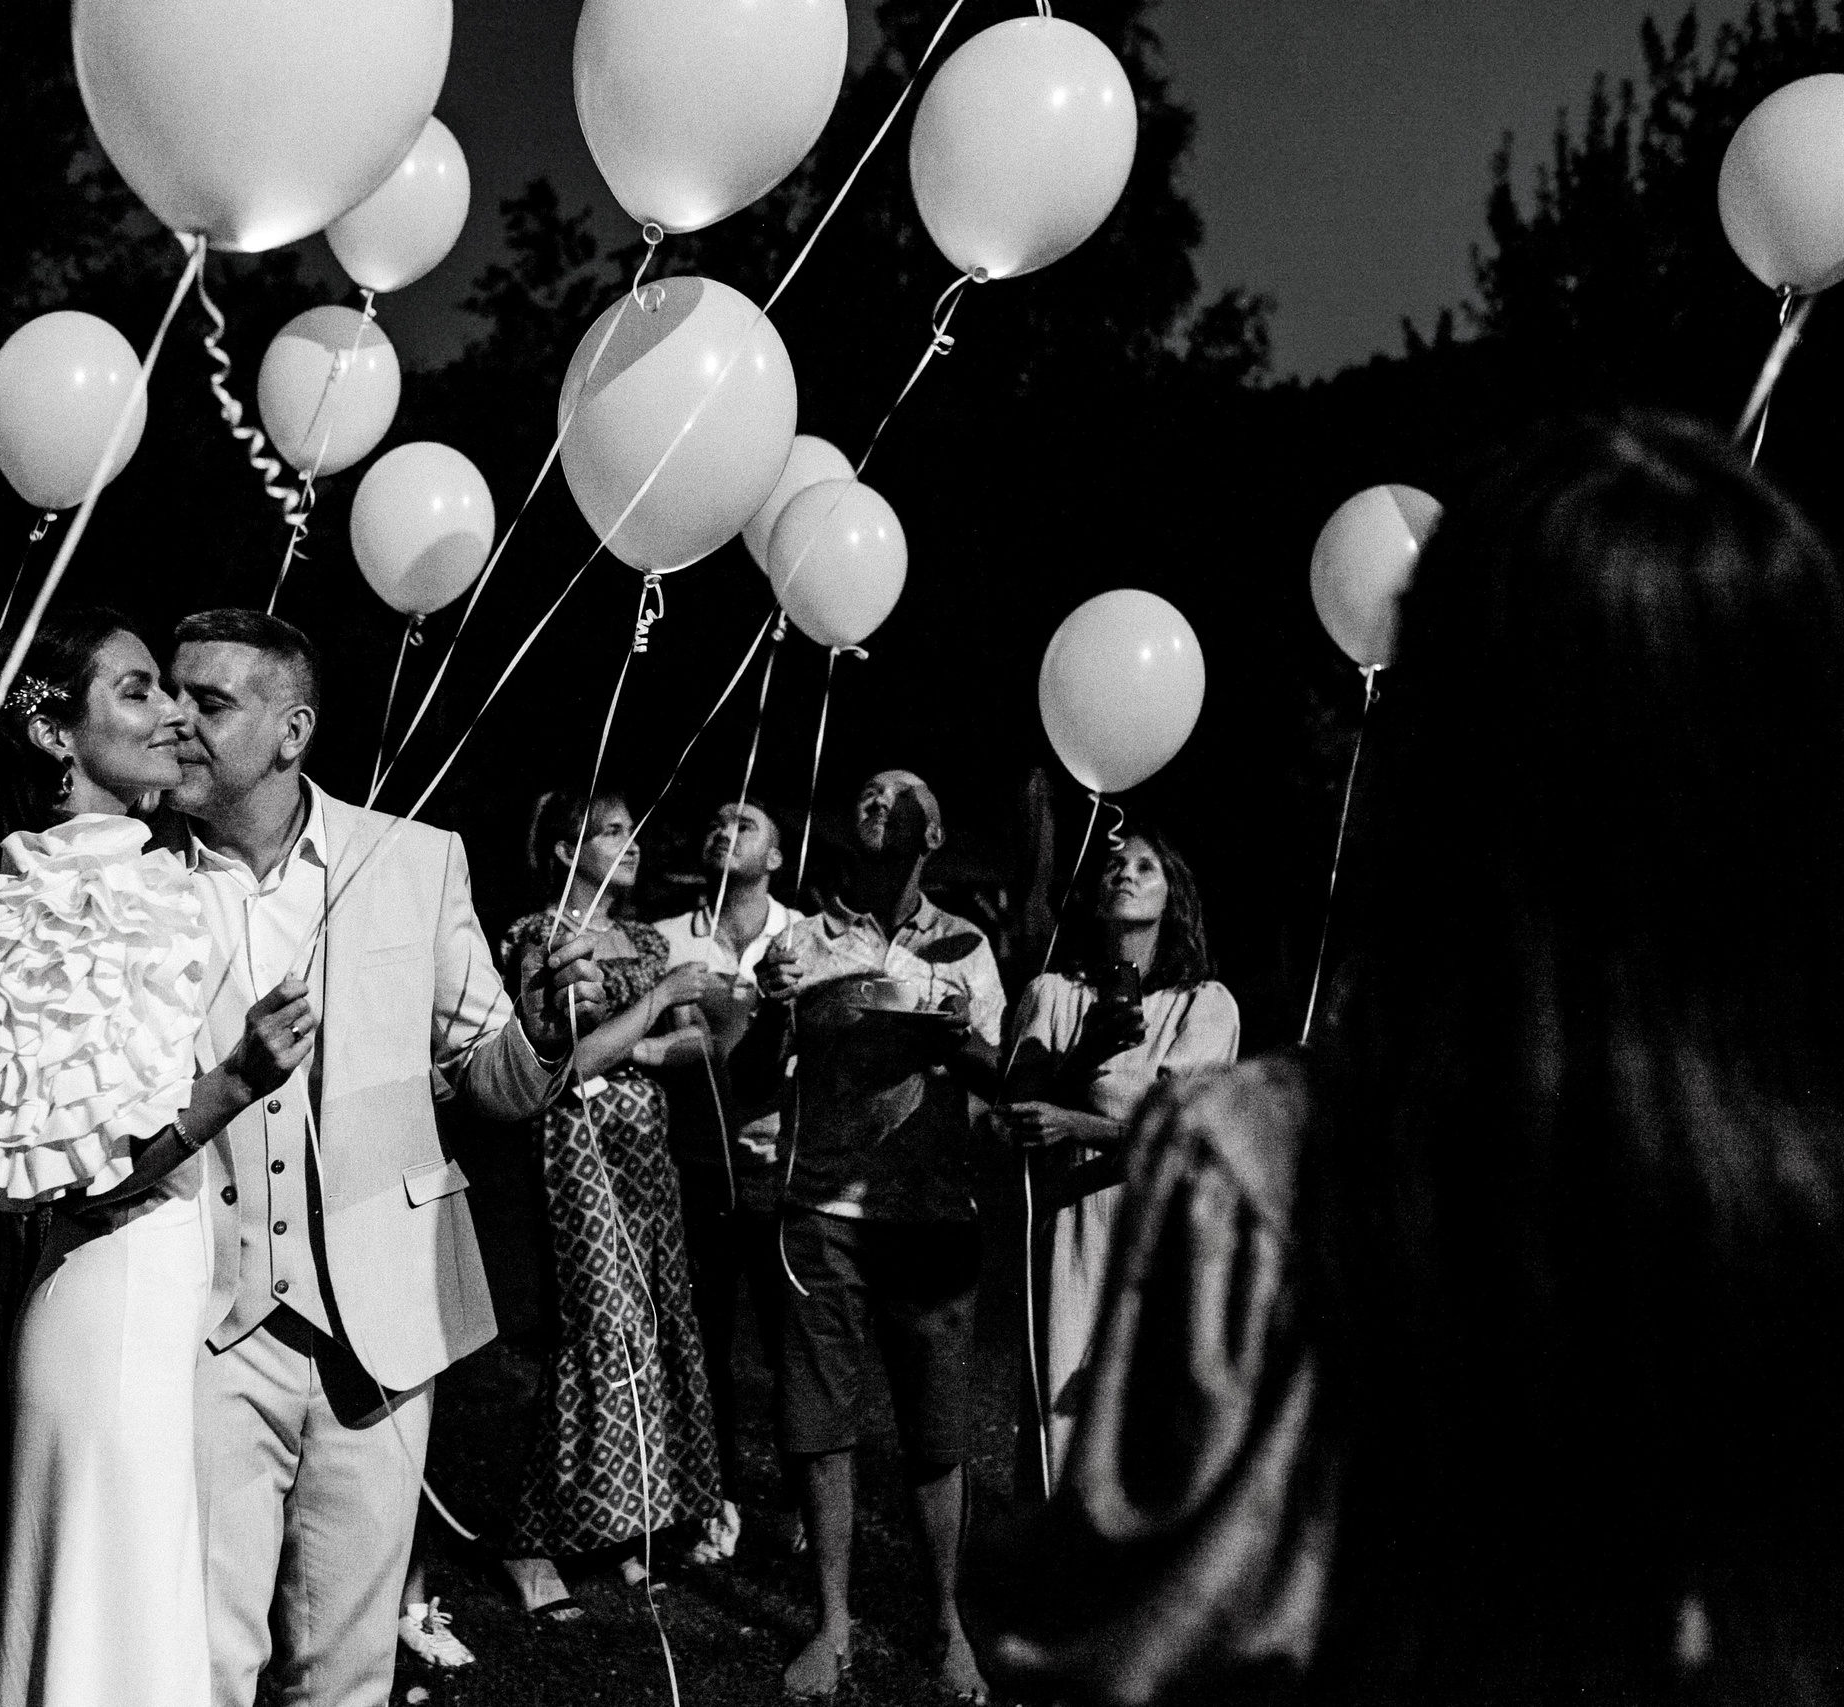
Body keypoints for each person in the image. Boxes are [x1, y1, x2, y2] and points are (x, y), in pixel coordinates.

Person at [987, 412, 1844, 1706]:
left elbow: (1127, 1642)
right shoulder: (1805, 1180)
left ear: (1443, 745)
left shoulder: (1262, 1166)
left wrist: (1013, 1576)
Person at [163, 609, 602, 1707]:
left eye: (207, 702)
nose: (174, 719)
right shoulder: (134, 879)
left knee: (349, 1662)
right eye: (168, 693)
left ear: (291, 729)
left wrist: (544, 1032)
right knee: (203, 1655)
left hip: (384, 1319)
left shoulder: (413, 861)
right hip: (206, 1317)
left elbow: (494, 1081)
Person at [0, 608, 317, 1707]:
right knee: (111, 1627)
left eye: (169, 689)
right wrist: (233, 1086)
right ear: (54, 734)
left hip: (158, 1301)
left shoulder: (139, 869)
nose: (171, 716)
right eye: (136, 692)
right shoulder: (56, 890)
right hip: (107, 1296)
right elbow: (82, 1170)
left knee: (142, 1609)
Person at [741, 769, 1006, 1701]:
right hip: (823, 1211)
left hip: (932, 1213)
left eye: (901, 794)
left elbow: (994, 1070)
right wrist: (772, 1007)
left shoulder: (967, 946)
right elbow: (751, 1074)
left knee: (936, 1432)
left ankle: (947, 1624)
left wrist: (961, 1036)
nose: (878, 798)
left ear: (932, 836)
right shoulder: (802, 941)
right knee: (819, 1419)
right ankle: (833, 1621)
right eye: (868, 790)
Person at [495, 789, 724, 1617]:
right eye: (612, 832)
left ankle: (628, 1526)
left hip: (646, 1152)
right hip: (579, 1149)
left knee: (655, 1324)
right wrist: (655, 1007)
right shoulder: (543, 939)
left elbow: (697, 1040)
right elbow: (562, 1062)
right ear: (566, 851)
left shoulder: (648, 938)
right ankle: (529, 1537)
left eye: (632, 832)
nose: (631, 845)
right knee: (601, 1327)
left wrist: (658, 1038)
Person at [999, 823, 1238, 1479]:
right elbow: (1017, 1118)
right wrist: (1087, 1054)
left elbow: (1185, 1131)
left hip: (1157, 1229)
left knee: (1145, 1433)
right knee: (1058, 1429)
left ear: (1174, 898)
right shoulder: (1054, 995)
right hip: (1070, 1226)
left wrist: (1077, 1123)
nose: (1124, 873)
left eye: (1145, 867)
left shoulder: (1202, 1006)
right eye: (1113, 866)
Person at [650, 798, 805, 1567]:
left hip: (782, 1169)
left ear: (776, 857)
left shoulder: (802, 937)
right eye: (715, 821)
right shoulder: (670, 937)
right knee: (703, 1340)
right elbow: (643, 1033)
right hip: (695, 1166)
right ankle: (716, 1495)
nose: (724, 829)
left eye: (746, 823)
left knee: (791, 1346)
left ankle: (807, 1494)